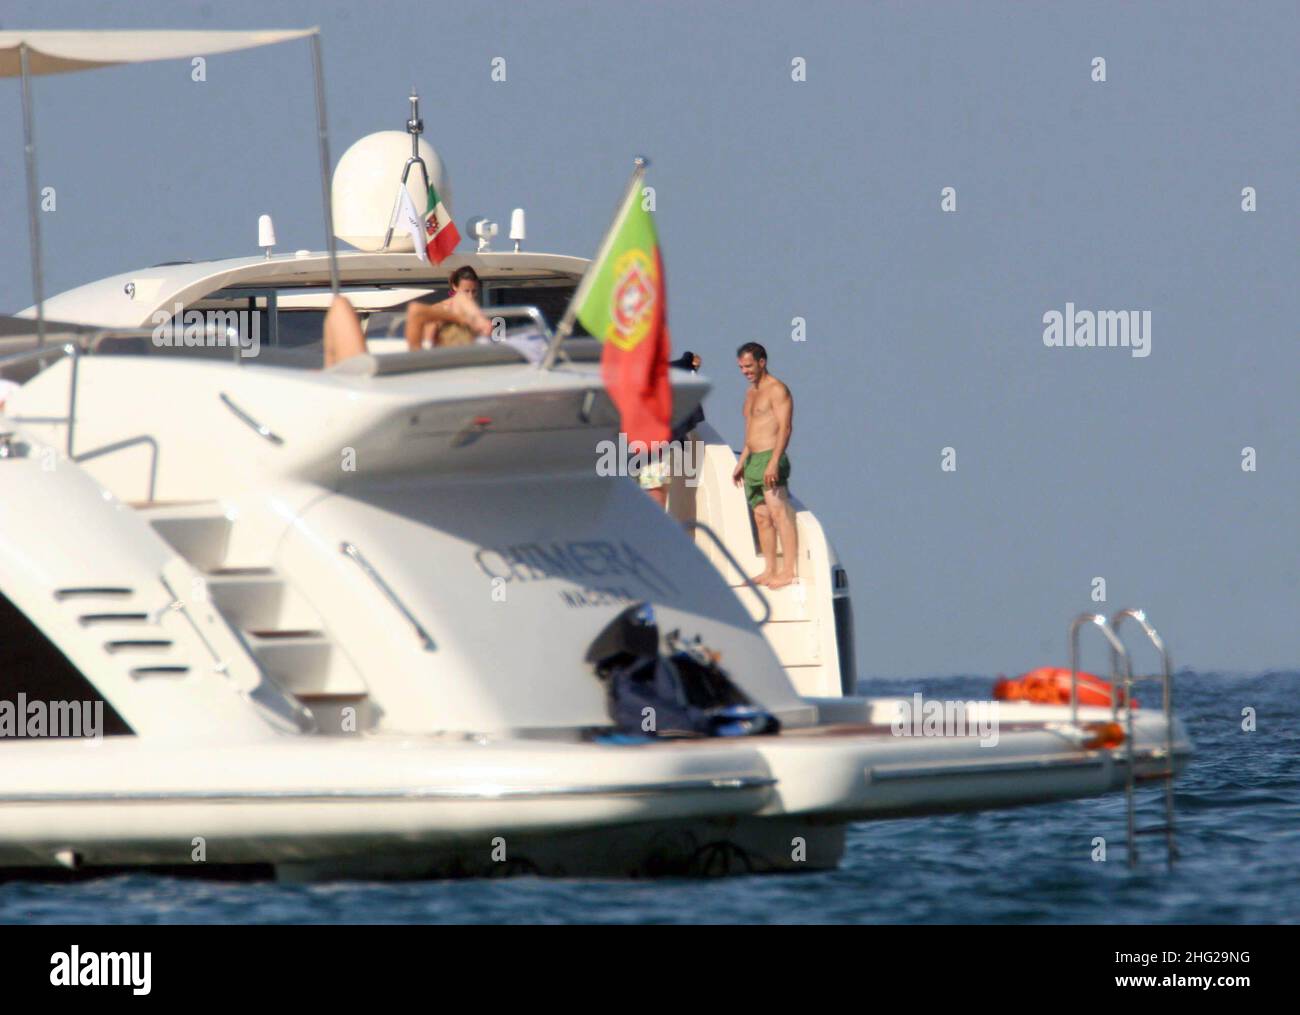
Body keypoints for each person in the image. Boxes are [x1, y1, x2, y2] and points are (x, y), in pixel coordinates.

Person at [731, 342, 797, 588]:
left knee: (778, 513)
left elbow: (785, 427)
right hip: (752, 460)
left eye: (748, 366)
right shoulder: (751, 393)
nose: (744, 371)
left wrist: (774, 462)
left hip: (771, 456)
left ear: (762, 362)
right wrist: (741, 462)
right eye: (740, 367)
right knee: (761, 517)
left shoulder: (777, 389)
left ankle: (787, 571)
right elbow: (751, 430)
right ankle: (769, 569)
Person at [405, 265, 492, 350]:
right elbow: (428, 338)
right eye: (466, 291)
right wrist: (463, 318)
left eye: (474, 291)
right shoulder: (439, 308)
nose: (470, 296)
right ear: (454, 287)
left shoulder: (473, 310)